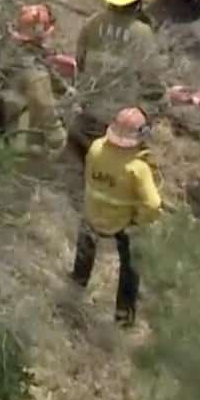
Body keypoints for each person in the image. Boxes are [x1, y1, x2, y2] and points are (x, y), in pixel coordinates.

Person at [71, 107, 162, 327]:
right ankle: (124, 313)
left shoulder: (95, 148)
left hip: (92, 214)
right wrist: (139, 219)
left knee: (86, 242)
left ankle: (77, 283)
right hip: (121, 221)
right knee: (132, 263)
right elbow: (153, 204)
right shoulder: (138, 168)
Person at [73, 0, 164, 157]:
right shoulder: (142, 33)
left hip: (87, 116)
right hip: (120, 125)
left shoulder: (93, 23)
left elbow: (79, 63)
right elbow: (152, 84)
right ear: (138, 1)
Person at [0, 4, 68, 158]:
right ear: (40, 36)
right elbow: (45, 107)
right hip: (18, 131)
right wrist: (59, 137)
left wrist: (65, 89)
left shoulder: (7, 49)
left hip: (0, 118)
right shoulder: (36, 72)